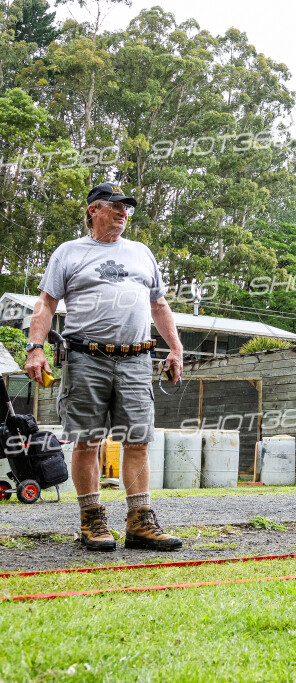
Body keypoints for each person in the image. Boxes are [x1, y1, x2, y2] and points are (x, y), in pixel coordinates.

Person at [24, 182, 184, 552]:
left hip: (137, 360)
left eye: (127, 207)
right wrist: (35, 348)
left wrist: (175, 348)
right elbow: (46, 304)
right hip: (86, 359)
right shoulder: (69, 252)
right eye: (115, 206)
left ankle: (139, 522)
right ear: (93, 210)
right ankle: (92, 519)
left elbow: (159, 306)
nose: (124, 212)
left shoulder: (141, 253)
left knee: (137, 440)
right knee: (87, 441)